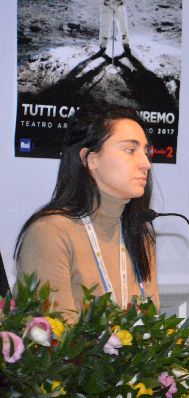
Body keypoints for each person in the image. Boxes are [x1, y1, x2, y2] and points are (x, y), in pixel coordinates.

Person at [15, 103, 158, 321]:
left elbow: (152, 323)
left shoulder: (140, 232)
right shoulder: (50, 233)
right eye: (130, 150)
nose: (146, 163)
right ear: (90, 159)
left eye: (145, 152)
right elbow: (56, 335)